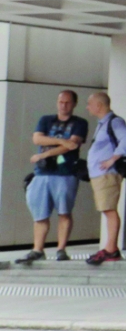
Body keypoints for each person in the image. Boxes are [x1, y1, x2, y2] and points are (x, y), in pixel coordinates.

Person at [22, 89, 88, 264]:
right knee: (40, 214)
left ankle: (61, 249)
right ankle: (37, 249)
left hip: (65, 172)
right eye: (60, 102)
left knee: (64, 212)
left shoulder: (80, 123)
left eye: (67, 102)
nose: (63, 105)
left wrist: (44, 154)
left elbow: (71, 145)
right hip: (42, 173)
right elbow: (37, 139)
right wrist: (61, 140)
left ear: (74, 104)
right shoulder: (46, 119)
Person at [83, 91, 126, 266]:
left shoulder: (115, 122)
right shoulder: (102, 124)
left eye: (90, 103)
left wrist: (112, 159)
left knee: (109, 210)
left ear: (99, 105)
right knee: (106, 210)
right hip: (99, 175)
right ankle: (110, 247)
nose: (87, 107)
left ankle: (111, 248)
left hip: (107, 175)